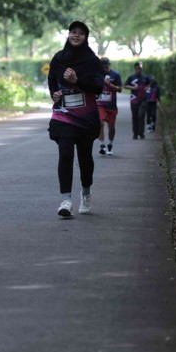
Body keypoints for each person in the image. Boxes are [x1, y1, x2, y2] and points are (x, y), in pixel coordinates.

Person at [47, 21, 104, 218]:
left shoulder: (92, 61)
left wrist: (76, 81)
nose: (76, 35)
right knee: (65, 154)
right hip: (63, 114)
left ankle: (86, 192)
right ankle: (66, 200)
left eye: (81, 33)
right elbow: (52, 79)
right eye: (73, 32)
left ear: (86, 37)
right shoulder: (59, 58)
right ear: (68, 34)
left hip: (85, 117)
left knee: (85, 157)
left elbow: (98, 87)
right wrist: (54, 93)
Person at [97, 57, 122, 155]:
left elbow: (120, 89)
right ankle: (102, 145)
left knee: (111, 127)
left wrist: (110, 84)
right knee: (100, 123)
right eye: (102, 67)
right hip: (100, 104)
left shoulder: (115, 75)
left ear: (109, 65)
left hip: (111, 106)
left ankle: (110, 144)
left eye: (106, 66)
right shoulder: (97, 75)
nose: (104, 68)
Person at [124, 62, 150, 139]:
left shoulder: (145, 77)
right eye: (138, 68)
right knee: (134, 116)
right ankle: (135, 133)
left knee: (141, 115)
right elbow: (125, 86)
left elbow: (149, 84)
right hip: (134, 100)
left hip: (143, 99)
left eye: (140, 68)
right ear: (135, 68)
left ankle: (141, 132)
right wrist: (132, 88)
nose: (139, 70)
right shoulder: (131, 77)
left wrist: (147, 87)